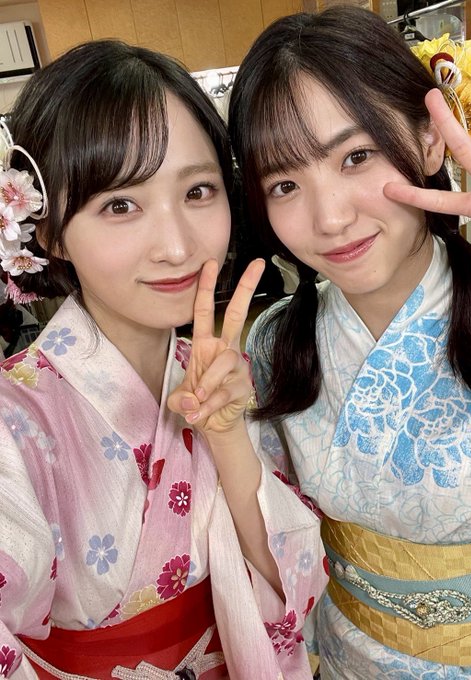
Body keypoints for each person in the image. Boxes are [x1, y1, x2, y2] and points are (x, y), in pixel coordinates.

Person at [0, 39, 327, 679]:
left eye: (199, 190)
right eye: (120, 205)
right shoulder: (15, 420)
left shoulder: (222, 373)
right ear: (48, 231)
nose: (177, 246)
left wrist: (227, 436)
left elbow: (290, 585)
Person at [228, 6, 471, 679]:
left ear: (430, 141)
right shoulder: (276, 342)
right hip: (342, 659)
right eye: (285, 184)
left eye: (356, 156)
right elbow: (275, 544)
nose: (330, 218)